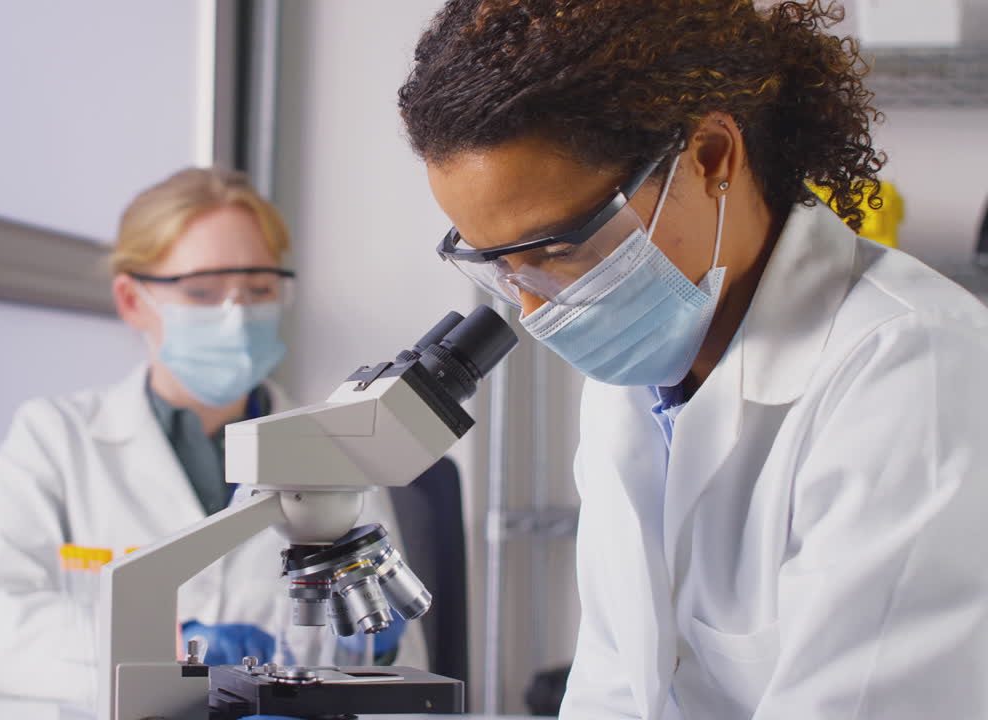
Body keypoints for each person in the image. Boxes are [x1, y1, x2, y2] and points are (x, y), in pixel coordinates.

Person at [399, 1, 988, 718]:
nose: (536, 310)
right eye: (501, 268)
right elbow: (616, 688)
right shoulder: (637, 379)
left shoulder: (913, 368)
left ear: (712, 157)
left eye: (558, 251)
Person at [0, 167, 425, 711]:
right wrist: (167, 647)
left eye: (259, 289)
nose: (236, 316)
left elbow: (405, 655)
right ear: (131, 300)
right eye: (201, 291)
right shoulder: (57, 438)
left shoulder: (333, 446)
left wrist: (377, 649)